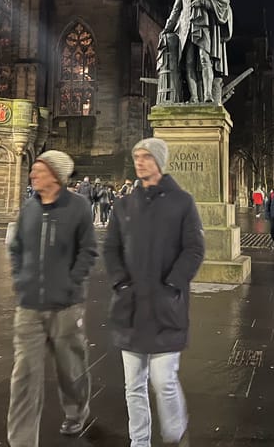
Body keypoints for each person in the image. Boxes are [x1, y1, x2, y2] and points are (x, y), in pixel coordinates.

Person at [103, 138, 203, 447]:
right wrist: (120, 281)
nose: (140, 161)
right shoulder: (124, 204)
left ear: (159, 162)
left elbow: (194, 249)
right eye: (137, 156)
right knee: (133, 384)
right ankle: (140, 440)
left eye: (146, 157)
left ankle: (174, 432)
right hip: (130, 306)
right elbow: (111, 247)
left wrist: (174, 283)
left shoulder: (182, 202)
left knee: (164, 382)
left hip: (164, 306)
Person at [7, 150, 98, 446]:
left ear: (56, 176)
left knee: (70, 370)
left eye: (39, 171)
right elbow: (16, 246)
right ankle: (22, 441)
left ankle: (76, 411)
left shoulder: (79, 208)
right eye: (33, 170)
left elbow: (88, 250)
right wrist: (20, 279)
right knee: (24, 377)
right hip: (29, 306)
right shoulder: (29, 208)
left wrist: (72, 282)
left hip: (65, 306)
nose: (33, 175)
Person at [159, 0, 233, 104]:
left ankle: (207, 95)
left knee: (205, 59)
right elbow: (176, 9)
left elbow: (224, 1)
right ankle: (194, 97)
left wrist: (205, 2)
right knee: (189, 63)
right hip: (186, 28)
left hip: (204, 26)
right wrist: (167, 28)